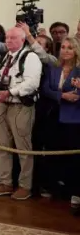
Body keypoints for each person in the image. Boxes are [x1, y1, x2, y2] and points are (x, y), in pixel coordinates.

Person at [0, 27, 42, 201]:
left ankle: (25, 186)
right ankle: (5, 182)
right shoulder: (4, 57)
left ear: (22, 40)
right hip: (2, 103)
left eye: (13, 38)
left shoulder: (30, 57)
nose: (8, 40)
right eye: (7, 37)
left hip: (20, 105)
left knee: (23, 147)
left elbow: (32, 83)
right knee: (2, 145)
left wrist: (11, 92)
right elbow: (0, 77)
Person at [41, 38, 80, 212]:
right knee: (52, 151)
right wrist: (62, 96)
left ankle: (72, 190)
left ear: (76, 50)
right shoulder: (54, 68)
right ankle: (54, 186)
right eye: (63, 47)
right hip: (53, 115)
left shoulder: (79, 70)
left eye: (70, 48)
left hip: (73, 118)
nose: (66, 50)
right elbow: (46, 89)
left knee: (72, 155)